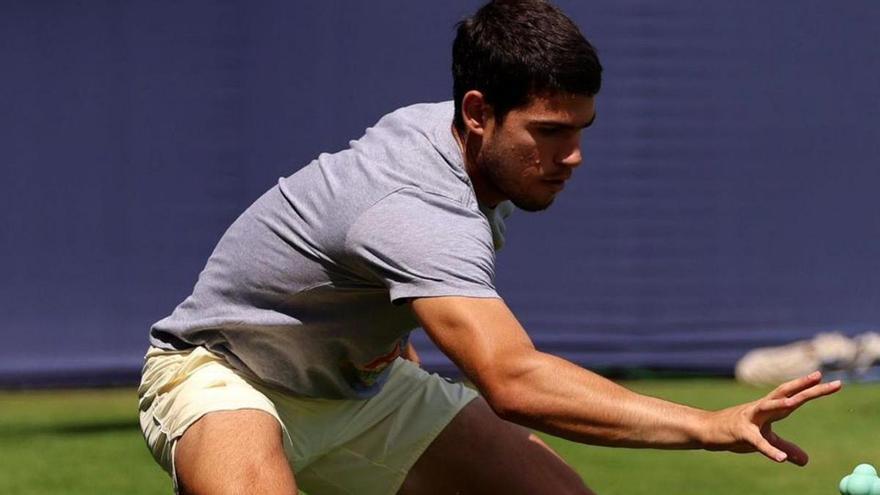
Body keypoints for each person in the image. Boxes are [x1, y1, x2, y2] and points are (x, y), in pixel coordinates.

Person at [137, 1, 842, 494]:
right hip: (223, 374)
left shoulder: (459, 146)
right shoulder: (416, 205)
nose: (572, 157)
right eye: (549, 131)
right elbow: (512, 379)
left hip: (361, 388)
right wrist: (709, 423)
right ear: (477, 112)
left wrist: (379, 345)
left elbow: (373, 278)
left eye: (581, 131)